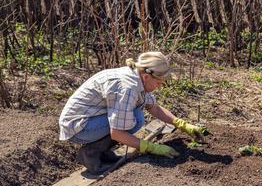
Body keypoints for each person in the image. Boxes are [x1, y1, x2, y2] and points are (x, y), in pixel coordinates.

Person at [59, 51, 205, 174]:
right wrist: (151, 147)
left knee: (136, 118)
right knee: (133, 120)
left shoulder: (137, 77)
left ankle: (102, 152)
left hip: (91, 119)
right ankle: (90, 155)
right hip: (77, 127)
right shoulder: (127, 87)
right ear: (147, 76)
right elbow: (116, 133)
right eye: (159, 83)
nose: (159, 87)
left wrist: (182, 124)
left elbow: (154, 107)